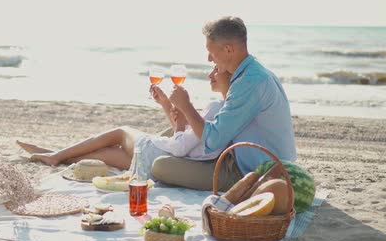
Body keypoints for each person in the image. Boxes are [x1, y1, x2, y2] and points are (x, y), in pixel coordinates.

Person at [153, 16, 297, 190]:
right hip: (257, 161)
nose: (209, 59)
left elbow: (213, 140)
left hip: (256, 174)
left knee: (160, 167)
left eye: (211, 52)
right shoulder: (253, 72)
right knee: (175, 134)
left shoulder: (249, 82)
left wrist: (186, 105)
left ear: (228, 49)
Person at [16, 66, 233, 180]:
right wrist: (166, 104)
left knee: (121, 132)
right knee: (106, 153)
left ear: (230, 77)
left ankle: (54, 154)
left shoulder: (215, 107)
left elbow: (179, 145)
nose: (210, 74)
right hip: (158, 161)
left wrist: (182, 109)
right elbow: (186, 139)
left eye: (217, 70)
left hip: (160, 155)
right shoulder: (226, 110)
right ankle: (55, 154)